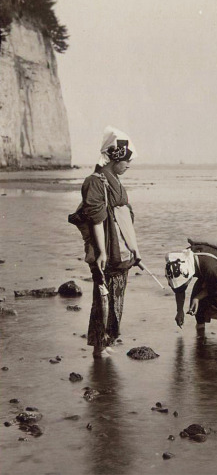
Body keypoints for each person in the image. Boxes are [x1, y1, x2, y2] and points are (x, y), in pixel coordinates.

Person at [77, 126, 141, 359]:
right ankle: (98, 346)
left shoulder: (114, 180)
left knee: (117, 295)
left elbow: (125, 217)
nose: (129, 165)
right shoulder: (95, 182)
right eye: (127, 161)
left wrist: (135, 250)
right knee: (103, 297)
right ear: (115, 159)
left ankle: (107, 339)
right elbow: (96, 218)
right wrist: (101, 252)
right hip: (106, 247)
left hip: (120, 247)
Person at [165, 236, 217, 334]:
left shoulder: (210, 268)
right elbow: (180, 289)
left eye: (184, 284)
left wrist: (197, 298)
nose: (183, 286)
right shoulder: (181, 260)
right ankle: (200, 329)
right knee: (198, 292)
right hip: (213, 264)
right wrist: (179, 311)